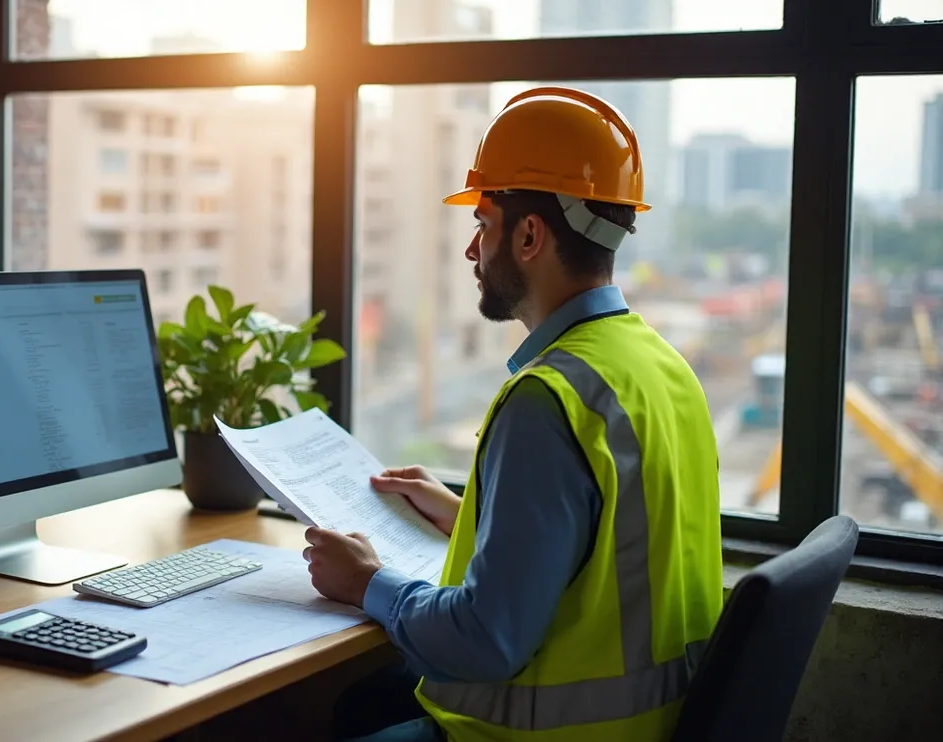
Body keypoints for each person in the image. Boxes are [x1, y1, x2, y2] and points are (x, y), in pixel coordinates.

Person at [303, 86, 724, 742]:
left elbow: (484, 640)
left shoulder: (546, 400)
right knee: (362, 704)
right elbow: (614, 537)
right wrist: (470, 511)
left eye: (483, 226)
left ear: (529, 235)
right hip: (650, 724)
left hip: (553, 734)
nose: (473, 252)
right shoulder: (660, 366)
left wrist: (366, 584)